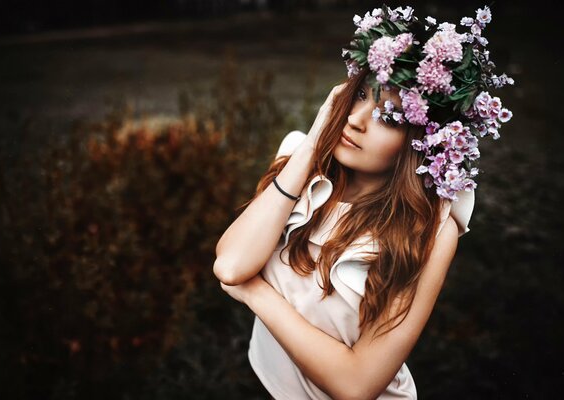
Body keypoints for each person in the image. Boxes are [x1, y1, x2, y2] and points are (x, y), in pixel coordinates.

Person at [214, 5, 513, 399]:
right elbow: (232, 263)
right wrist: (315, 138)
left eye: (389, 117)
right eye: (358, 96)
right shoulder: (297, 165)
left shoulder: (431, 227)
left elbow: (356, 385)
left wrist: (256, 293)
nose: (355, 120)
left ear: (421, 142)